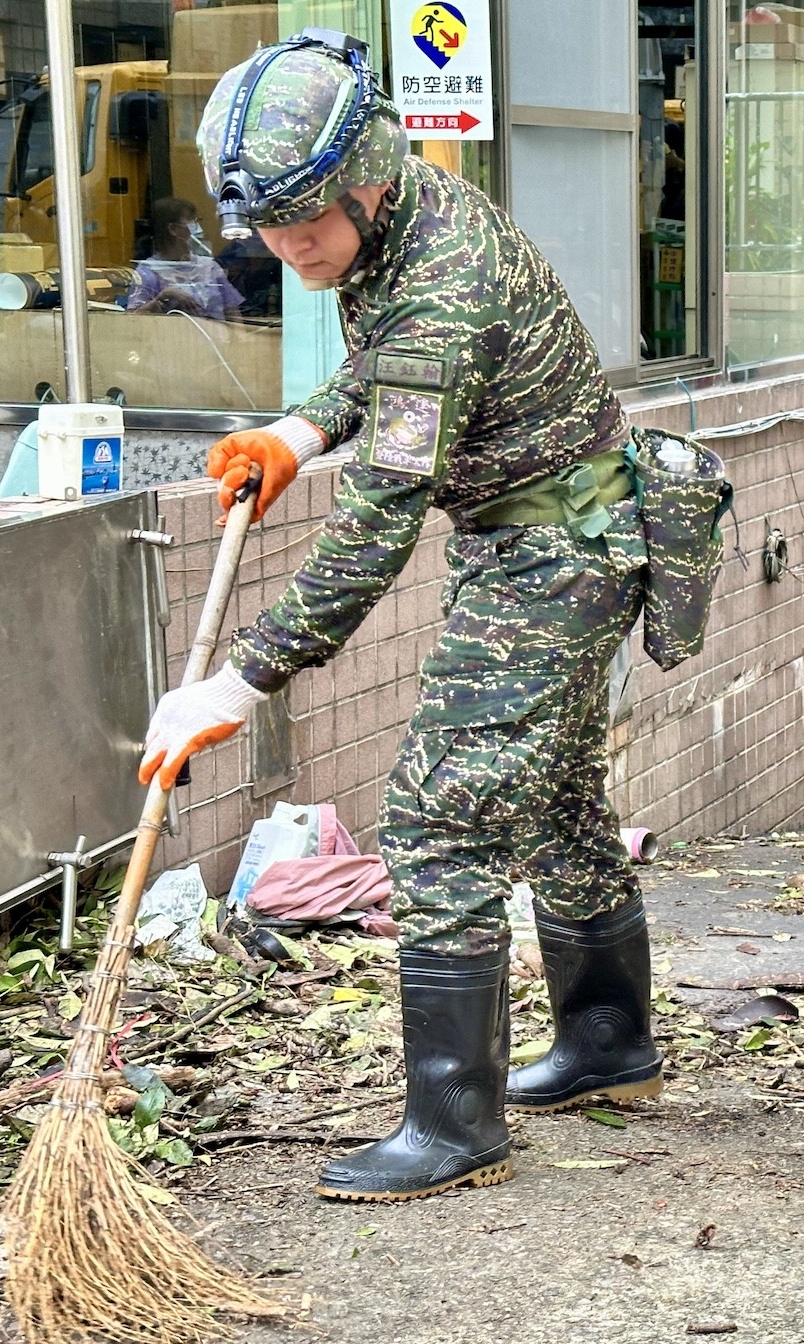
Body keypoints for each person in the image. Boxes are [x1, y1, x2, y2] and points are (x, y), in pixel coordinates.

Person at [140, 30, 664, 1202]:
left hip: (553, 556)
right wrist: (296, 430)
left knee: (437, 818)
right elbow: (376, 372)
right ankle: (608, 1046)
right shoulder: (406, 219)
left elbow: (379, 519)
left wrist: (241, 681)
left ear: (369, 176)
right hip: (548, 535)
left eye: (308, 225)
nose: (290, 249)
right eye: (269, 230)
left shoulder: (440, 284)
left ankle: (453, 1122)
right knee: (559, 794)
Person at [125, 197, 244, 322]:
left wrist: (241, 338)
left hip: (217, 339)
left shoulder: (209, 267)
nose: (198, 227)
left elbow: (233, 313)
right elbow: (134, 320)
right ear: (173, 229)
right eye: (192, 222)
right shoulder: (148, 271)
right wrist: (162, 298)